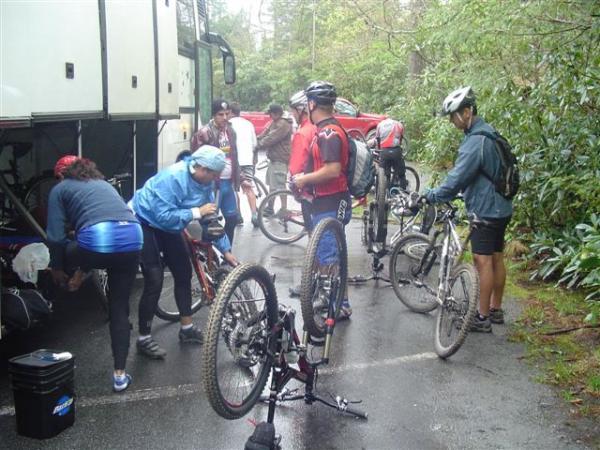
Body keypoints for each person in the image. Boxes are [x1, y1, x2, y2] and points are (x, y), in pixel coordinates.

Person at [131, 145, 239, 359]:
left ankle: (187, 328)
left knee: (183, 272)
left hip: (170, 225)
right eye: (214, 175)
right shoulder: (173, 177)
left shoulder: (205, 182)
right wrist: (195, 212)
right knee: (154, 279)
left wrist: (225, 250)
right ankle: (143, 338)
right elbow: (162, 216)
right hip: (145, 220)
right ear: (203, 168)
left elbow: (210, 220)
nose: (216, 179)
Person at [47, 156, 142, 392]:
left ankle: (71, 280)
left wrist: (57, 268)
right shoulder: (103, 184)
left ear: (60, 175)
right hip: (133, 236)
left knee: (73, 246)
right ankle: (120, 376)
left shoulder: (60, 189)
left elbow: (56, 237)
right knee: (119, 308)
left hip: (98, 241)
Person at [425, 86, 513, 332]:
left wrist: (432, 195)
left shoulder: (475, 141)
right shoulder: (489, 132)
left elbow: (456, 180)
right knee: (496, 257)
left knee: (481, 261)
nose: (452, 121)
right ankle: (495, 310)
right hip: (502, 207)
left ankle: (481, 318)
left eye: (454, 115)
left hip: (487, 210)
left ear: (467, 112)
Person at [291, 81, 352, 320]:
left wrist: (303, 180)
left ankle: (339, 303)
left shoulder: (328, 133)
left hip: (331, 200)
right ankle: (337, 300)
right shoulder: (327, 128)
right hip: (326, 200)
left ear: (312, 103)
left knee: (329, 254)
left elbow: (333, 170)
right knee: (330, 252)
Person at [191, 99, 242, 245]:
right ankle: (209, 254)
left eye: (227, 114)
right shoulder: (204, 133)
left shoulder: (231, 131)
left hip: (228, 183)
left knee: (232, 219)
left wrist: (241, 177)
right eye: (221, 114)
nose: (225, 118)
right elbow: (196, 160)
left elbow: (234, 155)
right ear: (214, 115)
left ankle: (226, 253)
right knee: (210, 224)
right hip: (212, 185)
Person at [287, 90, 317, 298]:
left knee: (313, 240)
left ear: (301, 110)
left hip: (309, 193)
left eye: (293, 111)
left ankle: (311, 286)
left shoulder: (303, 132)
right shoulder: (318, 128)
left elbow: (296, 166)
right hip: (324, 192)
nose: (291, 114)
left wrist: (295, 187)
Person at [256, 104, 292, 216]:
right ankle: (270, 207)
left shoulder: (283, 124)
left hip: (280, 158)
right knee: (273, 185)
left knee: (280, 185)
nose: (270, 116)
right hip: (274, 158)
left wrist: (258, 145)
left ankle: (284, 209)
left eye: (271, 114)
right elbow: (265, 133)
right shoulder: (275, 122)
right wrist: (257, 139)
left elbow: (271, 138)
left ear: (276, 113)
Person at [229, 101, 259, 227]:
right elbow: (254, 144)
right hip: (247, 160)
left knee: (234, 189)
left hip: (234, 161)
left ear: (230, 112)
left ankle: (238, 216)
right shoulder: (248, 124)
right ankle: (254, 215)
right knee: (249, 188)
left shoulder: (228, 125)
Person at [373, 118, 408, 190]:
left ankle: (386, 194)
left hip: (384, 152)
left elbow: (377, 139)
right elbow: (400, 139)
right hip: (396, 151)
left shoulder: (380, 125)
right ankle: (404, 192)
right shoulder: (399, 124)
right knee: (401, 174)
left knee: (386, 175)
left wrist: (379, 149)